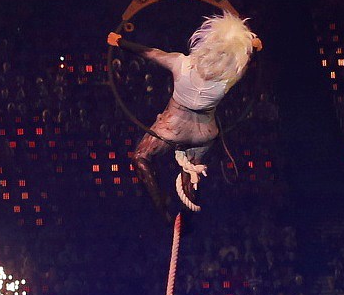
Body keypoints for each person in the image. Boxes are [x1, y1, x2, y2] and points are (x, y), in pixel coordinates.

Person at [111, 13, 259, 214]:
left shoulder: (181, 63)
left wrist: (120, 42)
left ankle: (162, 208)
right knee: (191, 172)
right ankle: (186, 214)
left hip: (173, 127)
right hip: (204, 134)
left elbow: (150, 53)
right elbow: (246, 59)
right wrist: (253, 46)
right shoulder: (230, 77)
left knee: (140, 156)